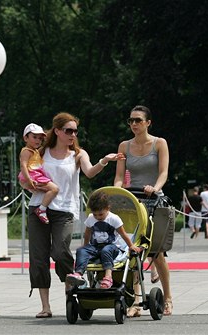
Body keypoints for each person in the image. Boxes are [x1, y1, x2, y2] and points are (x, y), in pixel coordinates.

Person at [23, 112, 124, 319]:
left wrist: (104, 161)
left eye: (75, 131)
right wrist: (25, 183)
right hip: (38, 207)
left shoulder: (78, 154)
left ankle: (72, 289)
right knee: (39, 259)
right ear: (57, 131)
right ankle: (46, 306)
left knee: (60, 252)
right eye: (68, 130)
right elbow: (27, 175)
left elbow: (90, 172)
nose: (73, 134)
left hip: (64, 211)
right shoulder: (42, 152)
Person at [113, 105, 172, 317]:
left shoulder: (159, 143)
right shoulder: (124, 146)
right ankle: (137, 301)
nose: (134, 124)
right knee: (133, 250)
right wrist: (117, 191)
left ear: (148, 123)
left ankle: (167, 298)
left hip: (154, 200)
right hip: (132, 202)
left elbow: (163, 172)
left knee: (156, 253)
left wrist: (155, 188)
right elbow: (120, 176)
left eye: (138, 120)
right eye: (131, 121)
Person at [66, 190, 140, 289]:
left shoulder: (114, 218)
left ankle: (108, 276)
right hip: (96, 247)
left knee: (106, 250)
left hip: (112, 247)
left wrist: (131, 245)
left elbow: (123, 234)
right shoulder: (91, 218)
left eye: (100, 214)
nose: (97, 217)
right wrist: (85, 245)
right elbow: (87, 233)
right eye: (95, 214)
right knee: (81, 251)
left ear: (107, 208)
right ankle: (79, 274)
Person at [18, 123, 59, 224]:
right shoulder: (26, 151)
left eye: (40, 138)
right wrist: (28, 180)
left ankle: (42, 207)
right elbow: (23, 165)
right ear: (25, 138)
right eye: (34, 137)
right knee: (55, 189)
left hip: (35, 176)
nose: (38, 140)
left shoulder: (35, 151)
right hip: (33, 176)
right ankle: (42, 209)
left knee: (47, 190)